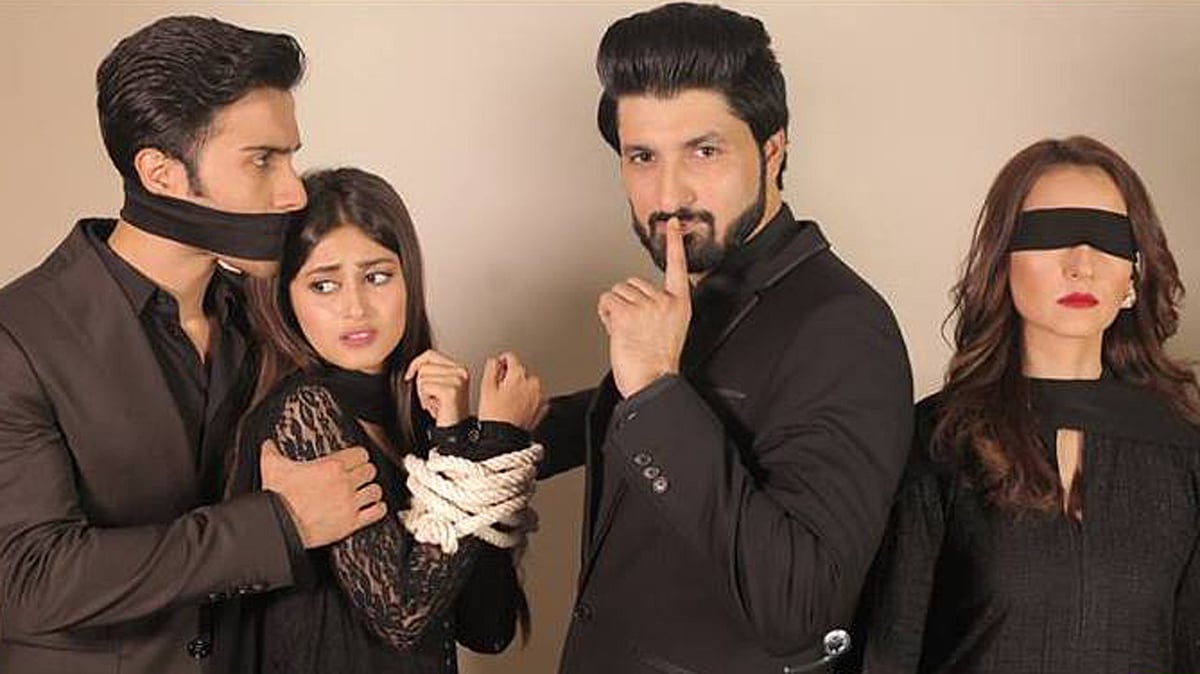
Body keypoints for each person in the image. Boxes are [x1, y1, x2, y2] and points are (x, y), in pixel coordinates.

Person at [534, 3, 914, 672]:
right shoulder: (702, 296)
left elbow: (804, 608)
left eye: (703, 151)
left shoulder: (844, 326)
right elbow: (718, 410)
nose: (669, 194)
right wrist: (520, 431)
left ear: (772, 149)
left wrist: (655, 389)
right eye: (642, 157)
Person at [0, 17, 385, 673]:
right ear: (161, 174)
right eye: (262, 160)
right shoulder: (20, 336)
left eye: (290, 157)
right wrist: (279, 525)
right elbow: (30, 581)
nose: (294, 192)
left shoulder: (265, 318)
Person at [852, 136, 1200, 673]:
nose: (1081, 264)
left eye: (1107, 239)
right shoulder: (942, 441)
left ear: (1133, 272)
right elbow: (888, 650)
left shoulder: (1182, 451)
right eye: (1052, 235)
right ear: (1004, 260)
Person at [230, 167, 541, 673]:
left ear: (408, 279)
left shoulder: (416, 413)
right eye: (324, 285)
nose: (355, 308)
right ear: (286, 297)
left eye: (377, 277)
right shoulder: (304, 411)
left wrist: (455, 440)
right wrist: (495, 443)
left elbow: (488, 628)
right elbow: (402, 614)